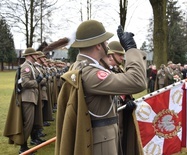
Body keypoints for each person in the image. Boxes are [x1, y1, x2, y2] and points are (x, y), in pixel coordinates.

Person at [55, 19, 147, 155]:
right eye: (105, 42)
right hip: (103, 143)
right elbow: (137, 81)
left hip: (103, 137)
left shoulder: (82, 66)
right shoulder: (91, 73)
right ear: (98, 45)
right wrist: (131, 49)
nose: (107, 45)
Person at [4, 47, 41, 154]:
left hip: (31, 97)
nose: (37, 56)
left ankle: (24, 146)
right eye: (35, 54)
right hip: (27, 98)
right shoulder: (26, 67)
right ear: (29, 56)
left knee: (30, 123)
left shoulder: (30, 66)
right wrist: (36, 82)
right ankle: (23, 147)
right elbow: (25, 83)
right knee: (28, 124)